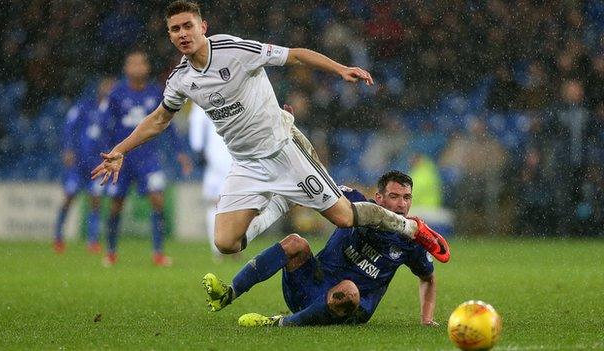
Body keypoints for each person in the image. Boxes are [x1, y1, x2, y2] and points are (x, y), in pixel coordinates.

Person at [92, 1, 448, 261]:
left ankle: (413, 229)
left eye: (188, 25)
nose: (183, 33)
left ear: (203, 26)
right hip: (246, 164)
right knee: (226, 243)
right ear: (170, 36)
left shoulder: (234, 49)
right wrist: (121, 149)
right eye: (175, 29)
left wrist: (340, 69)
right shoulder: (181, 79)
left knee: (343, 218)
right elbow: (158, 119)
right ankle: (279, 201)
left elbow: (294, 55)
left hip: (282, 149)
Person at [203, 170, 447, 327]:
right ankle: (228, 293)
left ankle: (280, 324)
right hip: (309, 288)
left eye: (407, 198)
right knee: (296, 242)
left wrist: (427, 319)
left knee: (349, 289)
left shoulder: (412, 239)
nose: (402, 205)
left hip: (348, 308)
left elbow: (428, 278)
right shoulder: (355, 203)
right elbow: (315, 191)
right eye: (394, 196)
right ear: (379, 198)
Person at [101, 50, 192, 266]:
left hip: (148, 159)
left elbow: (166, 123)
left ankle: (158, 252)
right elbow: (106, 126)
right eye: (133, 64)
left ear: (147, 68)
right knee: (116, 205)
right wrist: (108, 152)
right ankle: (111, 251)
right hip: (123, 159)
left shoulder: (155, 92)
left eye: (141, 63)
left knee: (158, 201)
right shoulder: (116, 94)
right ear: (126, 69)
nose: (137, 68)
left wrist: (180, 152)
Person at [54, 77, 116, 254]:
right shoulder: (84, 106)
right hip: (78, 162)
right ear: (100, 88)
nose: (109, 90)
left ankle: (93, 240)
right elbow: (68, 127)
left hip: (97, 163)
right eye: (106, 86)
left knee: (95, 200)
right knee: (69, 196)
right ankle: (58, 236)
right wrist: (67, 149)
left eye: (112, 87)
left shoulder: (112, 113)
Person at [187, 102, 233, 259]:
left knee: (217, 204)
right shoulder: (234, 87)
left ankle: (222, 248)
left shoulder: (202, 90)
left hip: (217, 156)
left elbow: (196, 122)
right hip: (232, 154)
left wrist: (197, 148)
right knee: (232, 202)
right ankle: (229, 246)